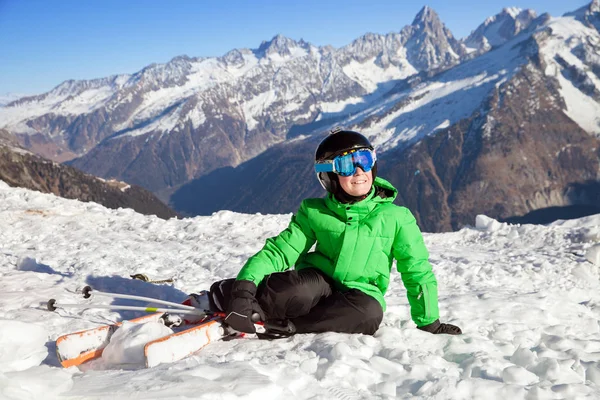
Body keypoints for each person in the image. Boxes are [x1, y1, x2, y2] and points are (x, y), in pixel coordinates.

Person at [192, 128, 461, 337]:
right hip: (319, 280)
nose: (359, 171)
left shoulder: (396, 218)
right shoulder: (315, 212)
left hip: (361, 292)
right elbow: (280, 251)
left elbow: (416, 269)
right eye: (346, 165)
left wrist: (430, 322)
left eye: (365, 160)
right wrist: (243, 288)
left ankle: (287, 325)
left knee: (368, 316)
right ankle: (227, 298)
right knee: (294, 290)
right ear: (330, 176)